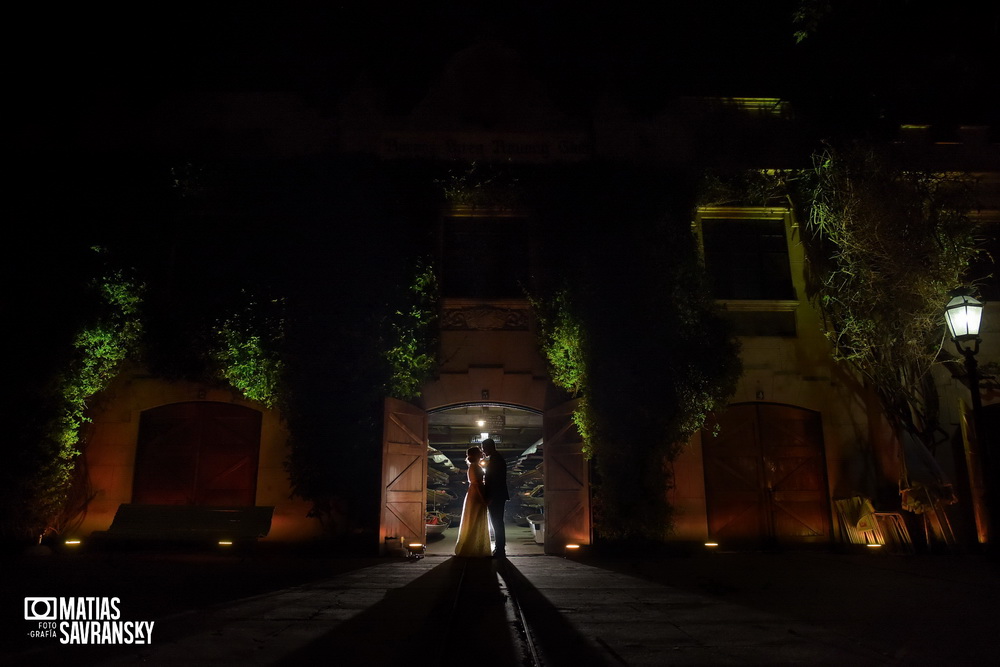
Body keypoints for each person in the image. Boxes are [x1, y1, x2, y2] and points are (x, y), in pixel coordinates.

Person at [454, 446, 491, 557]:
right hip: (476, 495)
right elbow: (477, 485)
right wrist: (483, 499)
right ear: (475, 455)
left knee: (474, 518)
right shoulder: (474, 467)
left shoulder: (474, 466)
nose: (482, 453)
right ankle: (473, 547)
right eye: (480, 452)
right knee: (476, 518)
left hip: (474, 494)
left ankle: (474, 546)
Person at [481, 438, 509, 558]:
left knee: (497, 522)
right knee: (497, 522)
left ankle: (500, 550)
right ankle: (499, 548)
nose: (482, 451)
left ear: (489, 447)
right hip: (498, 495)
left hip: (496, 496)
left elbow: (495, 481)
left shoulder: (496, 460)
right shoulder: (496, 458)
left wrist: (490, 497)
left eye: (483, 448)